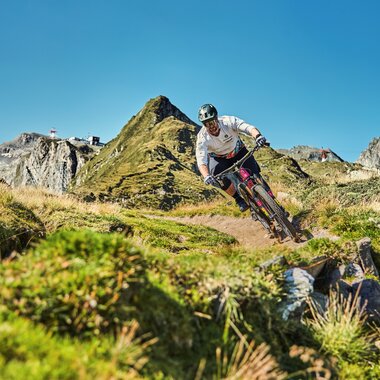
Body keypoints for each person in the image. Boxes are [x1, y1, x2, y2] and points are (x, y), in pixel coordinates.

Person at [196, 103, 268, 212]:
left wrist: (258, 136)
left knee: (256, 176)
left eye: (212, 122)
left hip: (238, 151)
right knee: (218, 178)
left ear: (217, 118)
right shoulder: (202, 137)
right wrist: (206, 176)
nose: (211, 127)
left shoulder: (228, 121)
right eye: (207, 124)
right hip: (219, 158)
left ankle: (274, 203)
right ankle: (239, 199)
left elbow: (247, 128)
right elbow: (201, 159)